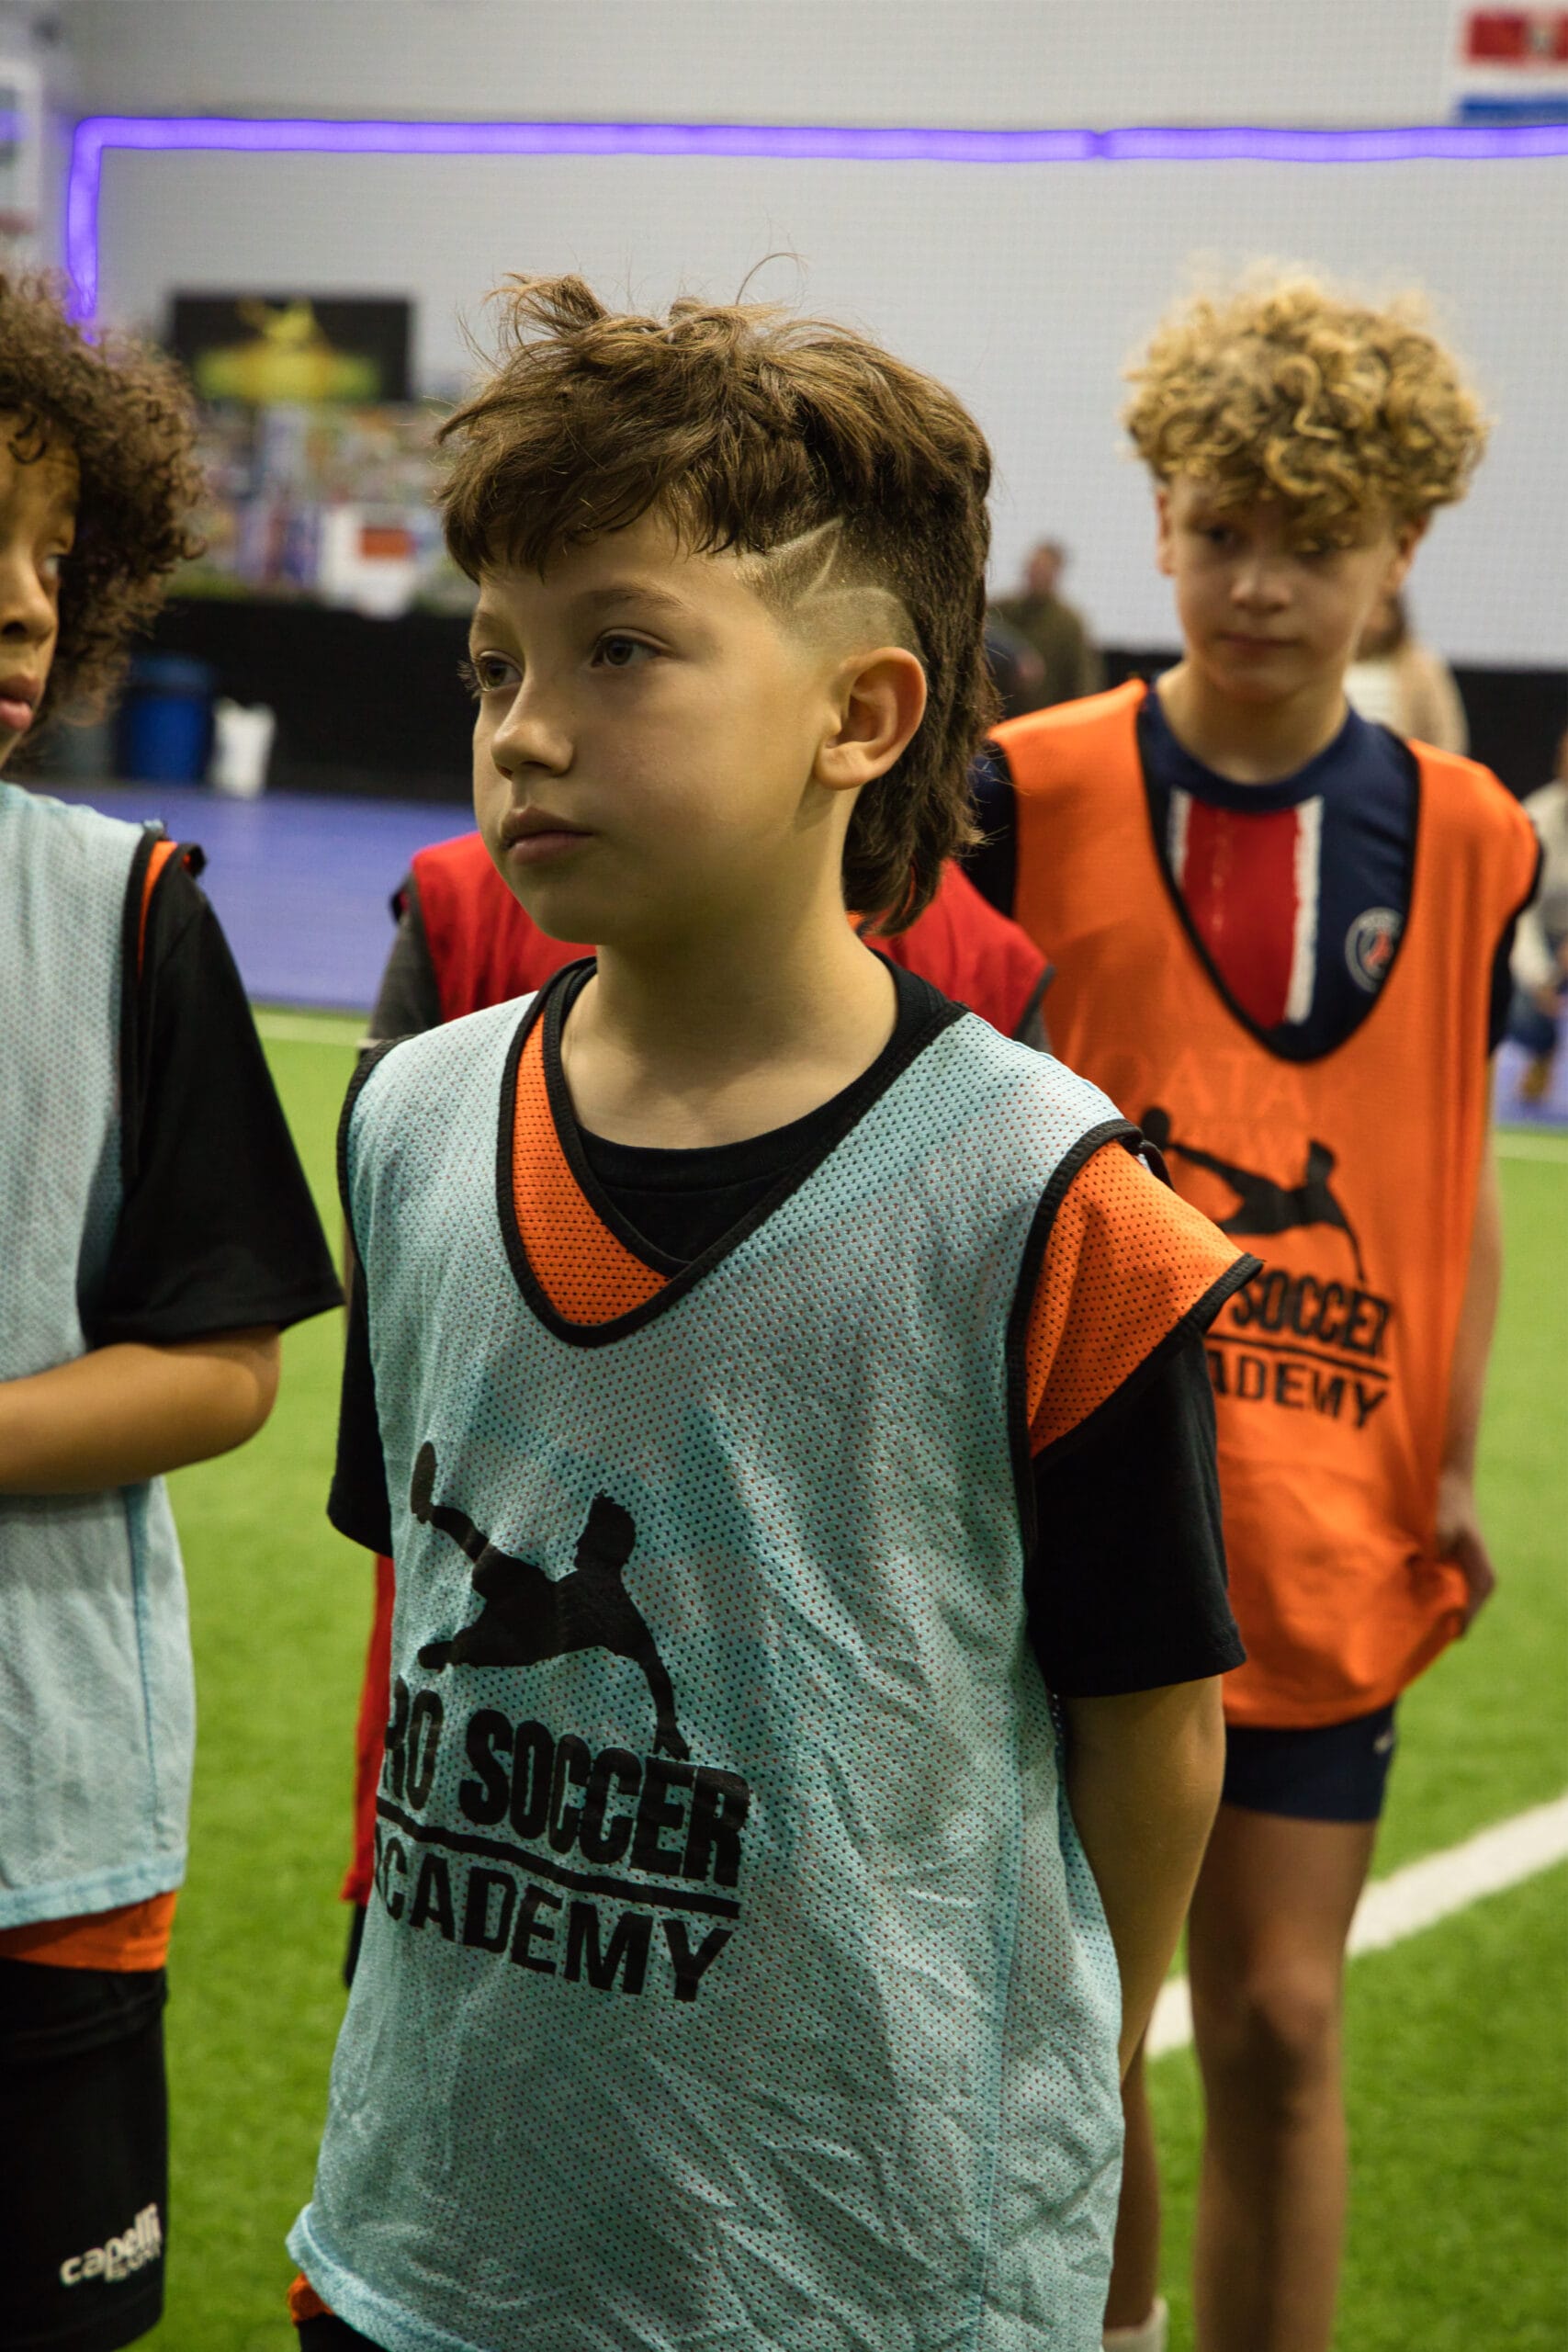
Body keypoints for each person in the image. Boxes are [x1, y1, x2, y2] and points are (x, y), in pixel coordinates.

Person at [288, 276, 1258, 2352]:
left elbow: (1149, 1732)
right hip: (429, 2242)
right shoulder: (411, 1123)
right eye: (494, 661)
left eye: (620, 649)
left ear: (861, 715)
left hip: (851, 2270)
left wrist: (1053, 2088)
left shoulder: (1050, 1204)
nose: (523, 726)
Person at [971, 272, 1540, 2352]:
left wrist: (1448, 1453)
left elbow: (1447, 1167)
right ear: (1154, 521)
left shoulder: (1467, 834)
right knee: (1083, 2023)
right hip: (1072, 1497)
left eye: (1312, 541)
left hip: (1324, 1508)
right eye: (1218, 530)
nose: (1257, 583)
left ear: (1402, 545)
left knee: (1283, 2019)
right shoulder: (1019, 790)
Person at [337, 838, 1055, 1979]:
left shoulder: (1005, 1009)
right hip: (459, 1829)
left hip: (802, 1896)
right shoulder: (459, 913)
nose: (527, 747)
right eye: (494, 686)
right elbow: (397, 1355)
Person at [0, 274, 342, 2352]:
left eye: (51, 553)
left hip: (36, 1813)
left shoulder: (125, 908)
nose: (20, 603)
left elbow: (222, 1369)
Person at [1506, 729, 1568, 1103]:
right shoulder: (1535, 817)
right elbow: (1520, 910)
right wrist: (1541, 976)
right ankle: (1542, 1049)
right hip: (1545, 939)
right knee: (1517, 1009)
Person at [1344, 585, 1468, 752]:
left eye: (1382, 609)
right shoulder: (1327, 659)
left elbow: (1447, 736)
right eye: (1368, 607)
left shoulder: (1419, 665)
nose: (1373, 619)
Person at [990, 538, 1104, 707]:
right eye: (1033, 568)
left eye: (1043, 570)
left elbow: (1081, 680)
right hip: (1004, 713)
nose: (1036, 575)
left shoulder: (1068, 623)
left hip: (1047, 713)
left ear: (1056, 574)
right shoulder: (1001, 610)